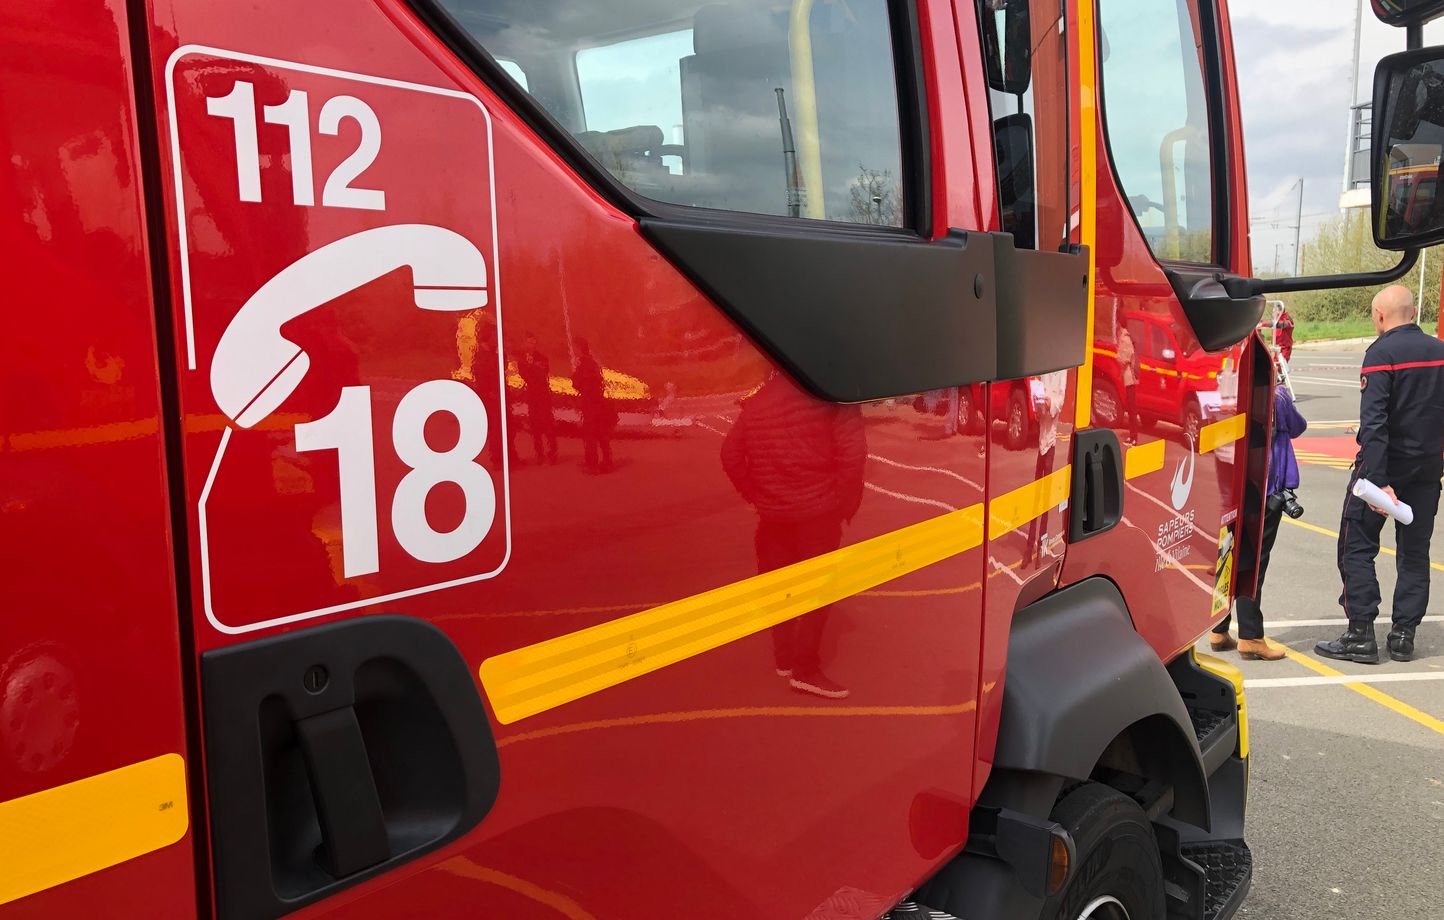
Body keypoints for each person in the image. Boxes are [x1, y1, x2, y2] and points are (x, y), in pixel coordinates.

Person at [1317, 285, 1444, 664]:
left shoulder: (1381, 353)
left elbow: (1374, 423)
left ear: (1379, 315)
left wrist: (1377, 481)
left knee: (1356, 548)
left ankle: (1361, 634)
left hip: (1384, 471)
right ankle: (1404, 635)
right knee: (1414, 553)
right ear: (1414, 311)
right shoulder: (1439, 352)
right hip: (1426, 472)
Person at [721, 372, 866, 699]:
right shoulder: (831, 392)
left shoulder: (759, 401)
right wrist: (844, 504)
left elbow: (729, 454)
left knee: (779, 586)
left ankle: (784, 657)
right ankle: (805, 669)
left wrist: (755, 495)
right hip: (817, 513)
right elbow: (853, 454)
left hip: (773, 515)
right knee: (817, 592)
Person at [1210, 380, 1305, 660]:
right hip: (1263, 487)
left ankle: (1218, 628)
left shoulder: (1224, 391)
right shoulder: (1275, 395)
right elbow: (1298, 426)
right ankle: (1251, 636)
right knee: (1254, 563)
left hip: (1228, 485)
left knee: (1226, 557)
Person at [572, 337, 615, 472]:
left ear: (579, 349)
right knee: (601, 433)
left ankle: (593, 464)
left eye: (575, 348)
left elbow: (577, 384)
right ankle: (607, 461)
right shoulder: (593, 363)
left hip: (590, 403)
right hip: (598, 402)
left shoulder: (583, 365)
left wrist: (574, 374)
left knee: (591, 434)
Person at [518, 333, 558, 463]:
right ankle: (539, 453)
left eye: (533, 342)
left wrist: (533, 366)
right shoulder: (522, 360)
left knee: (548, 422)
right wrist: (530, 366)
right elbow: (524, 375)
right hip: (532, 394)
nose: (531, 345)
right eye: (529, 342)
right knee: (535, 424)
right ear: (525, 344)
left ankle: (552, 452)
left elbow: (543, 372)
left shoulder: (542, 358)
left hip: (543, 393)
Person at [1117, 324, 1140, 443]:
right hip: (1131, 377)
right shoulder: (1127, 336)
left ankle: (1133, 437)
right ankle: (1133, 435)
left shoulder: (1124, 338)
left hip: (1129, 377)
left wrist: (1119, 359)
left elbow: (1124, 358)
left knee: (1131, 408)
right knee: (1131, 407)